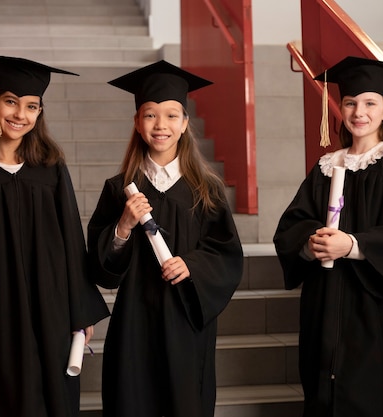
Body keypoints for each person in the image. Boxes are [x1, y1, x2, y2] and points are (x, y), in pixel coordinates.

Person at [0, 52, 110, 417]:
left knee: (53, 391)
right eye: (11, 102)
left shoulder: (51, 169)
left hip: (51, 302)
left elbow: (72, 240)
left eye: (32, 106)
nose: (20, 115)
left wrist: (80, 311)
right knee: (0, 391)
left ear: (40, 112)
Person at [273, 56, 383, 417]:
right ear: (340, 108)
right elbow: (292, 224)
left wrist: (351, 244)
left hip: (372, 297)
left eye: (369, 103)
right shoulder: (326, 166)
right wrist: (310, 242)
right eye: (350, 102)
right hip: (325, 295)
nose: (358, 111)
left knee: (367, 388)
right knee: (322, 382)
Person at [87, 60, 244, 417]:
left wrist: (191, 264)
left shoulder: (207, 190)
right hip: (134, 321)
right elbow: (101, 268)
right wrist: (122, 228)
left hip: (186, 321)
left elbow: (227, 255)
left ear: (186, 123)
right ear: (137, 123)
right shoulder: (119, 190)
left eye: (172, 115)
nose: (161, 125)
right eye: (150, 115)